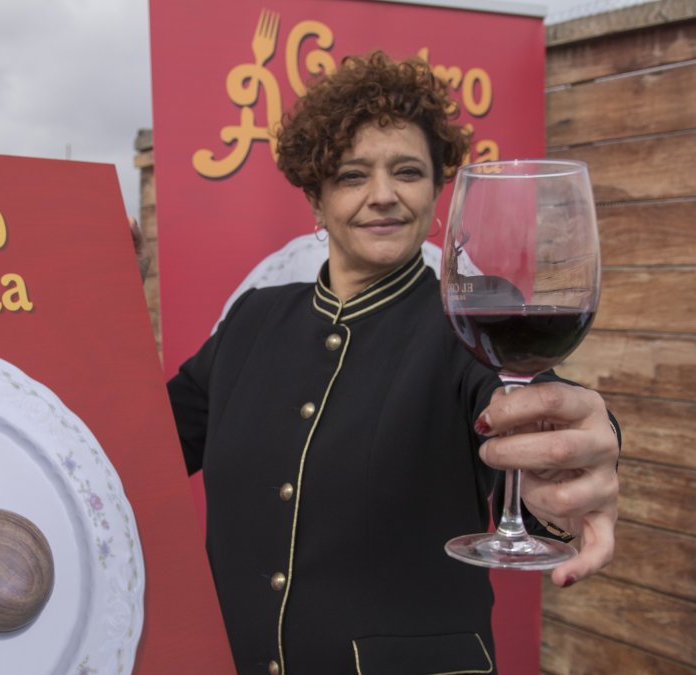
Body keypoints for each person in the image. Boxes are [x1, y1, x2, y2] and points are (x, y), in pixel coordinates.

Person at [167, 51, 620, 674]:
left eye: (407, 171)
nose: (382, 196)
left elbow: (534, 405)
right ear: (315, 200)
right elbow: (144, 447)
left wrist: (576, 458)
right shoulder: (252, 319)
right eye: (353, 176)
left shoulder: (473, 319)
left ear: (437, 190)